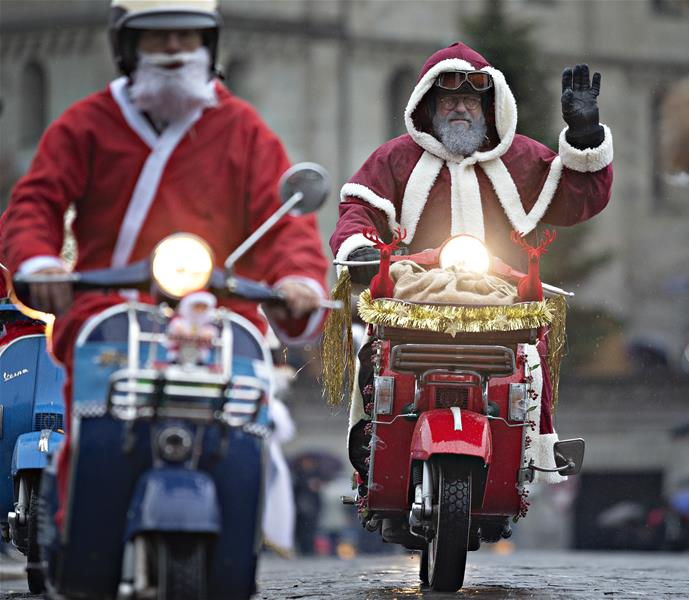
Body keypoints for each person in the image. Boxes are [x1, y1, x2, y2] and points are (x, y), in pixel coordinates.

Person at [0, 0, 329, 526]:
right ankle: (75, 532)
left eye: (188, 37)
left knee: (246, 436)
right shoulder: (86, 124)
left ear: (209, 46)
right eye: (158, 38)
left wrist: (297, 280)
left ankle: (240, 526)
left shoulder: (242, 128)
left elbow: (283, 222)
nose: (175, 50)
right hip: (108, 311)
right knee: (86, 437)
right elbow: (35, 200)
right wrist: (39, 261)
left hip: (216, 314)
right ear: (127, 47)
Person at [329, 42, 614, 482]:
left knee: (532, 362)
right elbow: (357, 211)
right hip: (414, 295)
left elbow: (581, 198)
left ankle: (530, 450)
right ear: (429, 105)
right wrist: (361, 247)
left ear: (489, 105)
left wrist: (584, 138)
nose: (460, 108)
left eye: (470, 99)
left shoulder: (520, 158)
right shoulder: (396, 158)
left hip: (500, 297)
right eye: (448, 99)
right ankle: (372, 441)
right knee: (376, 353)